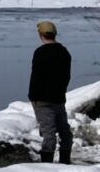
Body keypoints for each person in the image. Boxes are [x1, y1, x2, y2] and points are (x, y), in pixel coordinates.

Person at [29, 20, 72, 163]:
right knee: (65, 134)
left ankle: (46, 166)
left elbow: (36, 77)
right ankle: (65, 162)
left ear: (41, 35)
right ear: (55, 34)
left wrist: (33, 97)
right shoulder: (64, 52)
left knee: (49, 135)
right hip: (58, 99)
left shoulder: (40, 53)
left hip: (42, 100)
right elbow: (66, 77)